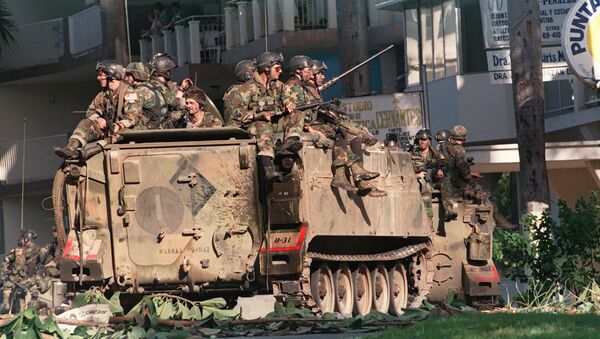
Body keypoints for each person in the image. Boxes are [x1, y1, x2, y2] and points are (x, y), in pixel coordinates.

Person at [232, 52, 301, 181]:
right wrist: (260, 115)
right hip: (254, 127)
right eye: (277, 68)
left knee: (297, 114)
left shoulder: (278, 86)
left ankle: (290, 143)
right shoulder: (245, 89)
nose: (280, 72)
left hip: (275, 124)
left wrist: (289, 103)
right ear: (267, 69)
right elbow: (238, 116)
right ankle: (268, 166)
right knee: (263, 126)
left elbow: (288, 97)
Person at [54, 60, 142, 159]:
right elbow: (90, 111)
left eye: (101, 75)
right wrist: (98, 119)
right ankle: (70, 149)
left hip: (125, 132)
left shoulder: (128, 92)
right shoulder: (103, 95)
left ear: (111, 76)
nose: (98, 78)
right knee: (86, 123)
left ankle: (85, 154)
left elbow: (133, 116)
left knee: (112, 138)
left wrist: (119, 125)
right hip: (109, 130)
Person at [440, 125, 483, 221]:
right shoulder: (459, 149)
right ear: (464, 139)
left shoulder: (444, 146)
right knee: (480, 192)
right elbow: (463, 169)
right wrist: (470, 179)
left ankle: (450, 209)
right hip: (455, 181)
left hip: (446, 178)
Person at [146, 53, 191, 128]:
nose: (170, 72)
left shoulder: (152, 83)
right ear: (165, 71)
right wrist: (182, 91)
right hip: (158, 126)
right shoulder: (159, 86)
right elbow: (175, 104)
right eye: (169, 70)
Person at [1, 230, 40, 314]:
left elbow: (6, 260)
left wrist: (5, 271)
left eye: (22, 238)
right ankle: (30, 306)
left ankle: (5, 303)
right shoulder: (38, 250)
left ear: (25, 239)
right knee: (23, 296)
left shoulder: (18, 251)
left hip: (18, 279)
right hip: (31, 279)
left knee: (7, 284)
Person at [411, 128, 441, 220]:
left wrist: (440, 172)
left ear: (429, 140)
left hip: (434, 181)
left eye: (423, 139)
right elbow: (405, 173)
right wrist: (417, 175)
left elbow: (444, 168)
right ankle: (428, 220)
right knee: (425, 186)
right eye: (419, 139)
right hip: (418, 181)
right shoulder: (412, 154)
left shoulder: (436, 154)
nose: (421, 142)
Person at [124, 62, 162, 129]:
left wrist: (121, 124)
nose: (126, 78)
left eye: (128, 75)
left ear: (136, 75)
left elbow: (131, 115)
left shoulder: (140, 92)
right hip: (154, 127)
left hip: (146, 131)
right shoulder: (149, 87)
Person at [224, 59, 257, 126]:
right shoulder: (236, 92)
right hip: (239, 131)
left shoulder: (251, 89)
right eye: (254, 71)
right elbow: (239, 118)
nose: (257, 74)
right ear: (247, 75)